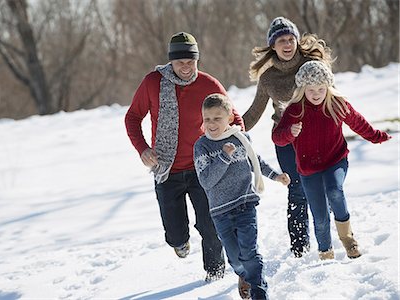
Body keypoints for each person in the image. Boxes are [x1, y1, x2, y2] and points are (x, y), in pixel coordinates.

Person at [124, 32, 245, 281]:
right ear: (171, 62)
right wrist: (143, 148)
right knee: (175, 234)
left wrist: (236, 141)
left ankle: (215, 275)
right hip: (167, 168)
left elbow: (234, 118)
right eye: (181, 63)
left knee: (210, 226)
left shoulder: (209, 85)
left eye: (191, 62)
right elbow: (132, 118)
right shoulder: (153, 83)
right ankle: (179, 242)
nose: (187, 68)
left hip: (205, 168)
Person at [272, 61, 391, 260]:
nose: (317, 93)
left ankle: (349, 241)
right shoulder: (295, 110)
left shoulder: (337, 104)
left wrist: (376, 136)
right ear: (303, 89)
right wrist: (290, 133)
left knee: (335, 191)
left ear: (328, 87)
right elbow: (277, 137)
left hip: (335, 160)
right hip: (308, 169)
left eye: (321, 88)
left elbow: (358, 123)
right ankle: (325, 252)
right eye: (311, 89)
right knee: (319, 217)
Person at [242, 16, 334, 257]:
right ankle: (299, 248)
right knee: (296, 190)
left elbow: (330, 94)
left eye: (291, 39)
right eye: (281, 40)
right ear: (273, 45)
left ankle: (326, 239)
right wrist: (231, 129)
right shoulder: (268, 78)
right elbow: (254, 112)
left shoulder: (311, 64)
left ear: (296, 40)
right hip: (286, 138)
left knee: (320, 187)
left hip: (315, 136)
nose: (287, 44)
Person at [194, 93, 290, 299]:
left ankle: (259, 291)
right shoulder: (202, 146)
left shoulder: (241, 138)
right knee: (236, 260)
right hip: (220, 211)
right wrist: (223, 157)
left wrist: (276, 175)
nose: (211, 123)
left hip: (245, 204)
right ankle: (244, 275)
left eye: (217, 118)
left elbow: (256, 161)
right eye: (207, 118)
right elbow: (206, 181)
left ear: (229, 118)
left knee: (250, 253)